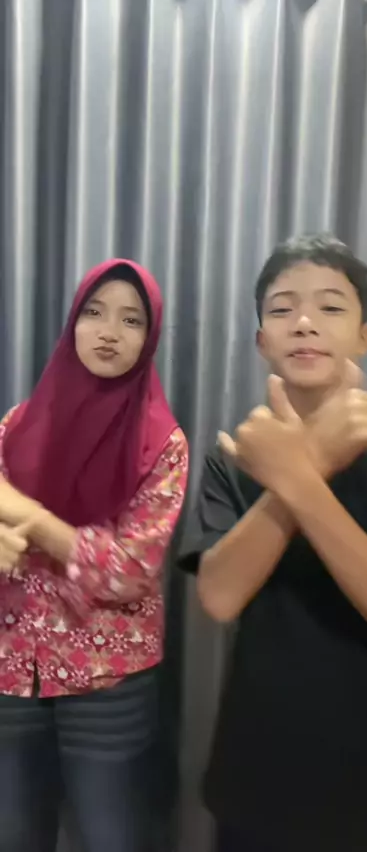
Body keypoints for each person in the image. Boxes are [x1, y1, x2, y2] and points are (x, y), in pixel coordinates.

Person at [179, 234, 367, 852]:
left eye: (331, 307)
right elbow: (221, 597)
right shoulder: (235, 458)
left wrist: (297, 474)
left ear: (365, 336)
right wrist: (311, 457)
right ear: (262, 341)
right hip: (263, 776)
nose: (305, 322)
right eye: (283, 309)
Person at [0, 259, 188, 852]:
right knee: (13, 832)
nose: (109, 332)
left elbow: (130, 571)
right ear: (72, 324)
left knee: (113, 835)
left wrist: (32, 520)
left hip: (106, 679)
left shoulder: (162, 444)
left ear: (149, 338)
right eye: (95, 312)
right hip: (12, 668)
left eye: (131, 320)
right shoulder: (15, 427)